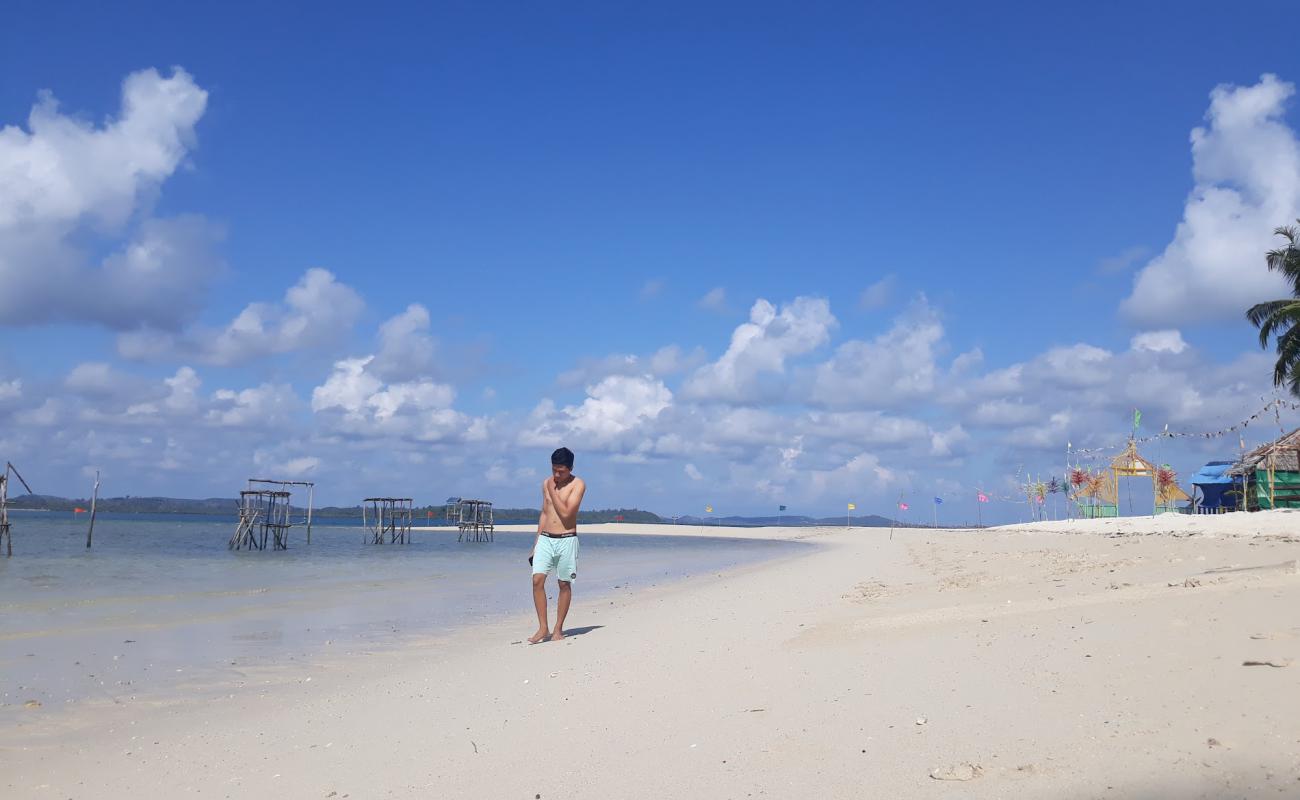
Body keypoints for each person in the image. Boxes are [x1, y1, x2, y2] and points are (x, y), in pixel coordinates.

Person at [528, 447, 586, 643]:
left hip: (567, 539)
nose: (556, 475)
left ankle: (558, 629)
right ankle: (542, 627)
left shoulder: (578, 485)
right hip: (545, 538)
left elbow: (567, 513)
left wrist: (553, 492)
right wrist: (535, 544)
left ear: (570, 468)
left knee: (563, 583)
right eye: (554, 470)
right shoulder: (546, 483)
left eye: (561, 471)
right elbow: (544, 513)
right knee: (537, 580)